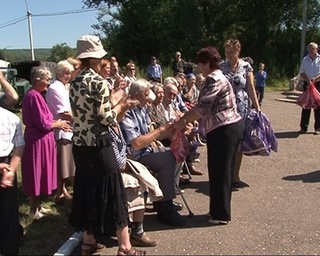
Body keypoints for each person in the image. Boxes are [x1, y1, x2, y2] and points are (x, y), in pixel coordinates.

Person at [68, 35, 146, 256]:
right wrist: (122, 104)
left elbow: (83, 113)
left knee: (87, 190)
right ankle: (125, 246)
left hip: (80, 144)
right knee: (114, 190)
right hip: (100, 144)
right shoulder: (98, 82)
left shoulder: (74, 82)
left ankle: (88, 241)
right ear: (94, 58)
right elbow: (106, 118)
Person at [174, 45, 244, 225]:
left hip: (224, 128)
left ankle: (220, 215)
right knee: (220, 170)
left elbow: (202, 108)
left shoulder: (213, 79)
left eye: (200, 64)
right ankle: (218, 211)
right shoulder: (218, 77)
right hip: (225, 127)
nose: (199, 68)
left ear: (206, 63)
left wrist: (181, 122)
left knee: (220, 171)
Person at [120, 78, 186, 227]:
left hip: (144, 152)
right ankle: (165, 209)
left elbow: (150, 137)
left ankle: (163, 200)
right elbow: (136, 144)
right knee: (167, 158)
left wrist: (171, 130)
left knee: (174, 153)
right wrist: (161, 130)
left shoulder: (142, 109)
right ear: (137, 94)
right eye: (146, 93)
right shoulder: (128, 112)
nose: (150, 95)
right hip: (132, 157)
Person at [22, 66, 72, 220]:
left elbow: (45, 119)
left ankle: (36, 205)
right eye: (47, 79)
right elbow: (42, 123)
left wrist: (55, 122)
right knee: (35, 171)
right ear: (37, 80)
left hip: (42, 139)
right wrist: (58, 124)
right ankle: (33, 208)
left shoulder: (37, 95)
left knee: (41, 170)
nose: (49, 83)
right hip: (37, 140)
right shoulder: (33, 97)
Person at [220, 38, 260, 190]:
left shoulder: (246, 66)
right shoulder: (221, 67)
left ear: (238, 51)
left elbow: (250, 87)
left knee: (238, 144)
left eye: (231, 52)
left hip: (242, 109)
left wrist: (256, 107)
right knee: (226, 143)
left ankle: (235, 175)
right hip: (225, 110)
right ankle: (225, 174)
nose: (228, 55)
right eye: (226, 52)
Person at [46, 60, 75, 205]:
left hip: (69, 129)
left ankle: (62, 190)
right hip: (63, 129)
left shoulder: (64, 86)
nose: (68, 76)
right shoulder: (55, 88)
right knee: (64, 163)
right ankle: (60, 192)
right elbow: (64, 112)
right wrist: (81, 119)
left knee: (68, 163)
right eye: (66, 73)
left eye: (70, 73)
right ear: (58, 73)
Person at [0, 106, 25, 255]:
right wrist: (12, 170)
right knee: (8, 212)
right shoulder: (12, 118)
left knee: (8, 211)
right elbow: (19, 145)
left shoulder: (12, 118)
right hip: (7, 168)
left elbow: (20, 144)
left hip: (6, 167)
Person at [298, 42, 320, 135]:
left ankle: (318, 128)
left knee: (318, 106)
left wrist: (315, 79)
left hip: (318, 84)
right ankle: (303, 127)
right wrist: (307, 80)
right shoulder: (305, 59)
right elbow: (301, 72)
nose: (310, 50)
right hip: (307, 84)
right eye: (309, 49)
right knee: (306, 105)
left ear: (316, 49)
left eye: (312, 49)